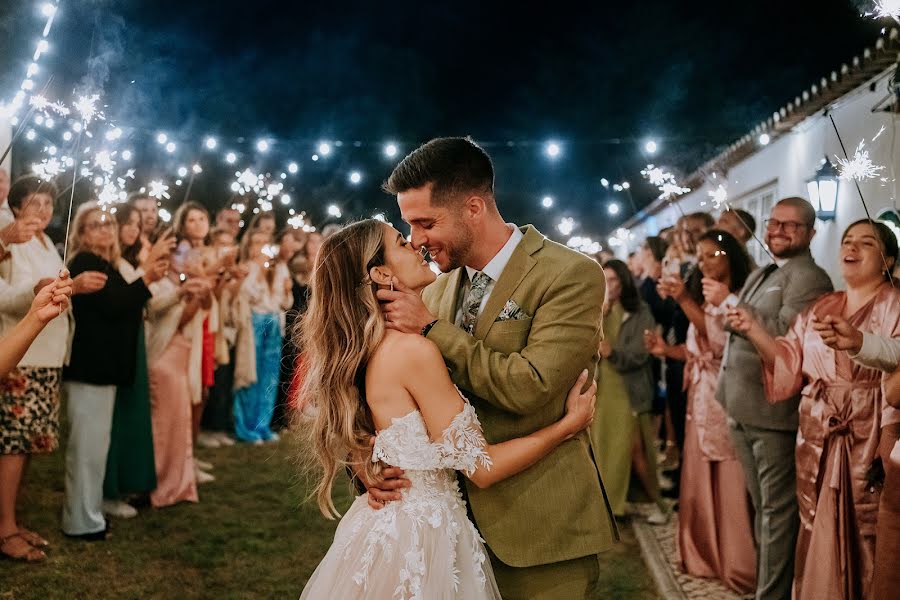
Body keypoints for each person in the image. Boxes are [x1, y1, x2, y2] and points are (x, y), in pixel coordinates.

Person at [297, 219, 597, 599]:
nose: (417, 244)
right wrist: (566, 426)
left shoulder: (377, 344)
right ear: (381, 273)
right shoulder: (413, 351)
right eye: (402, 242)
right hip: (423, 537)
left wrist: (365, 460)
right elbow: (481, 468)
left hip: (393, 524)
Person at [371, 137, 617, 599]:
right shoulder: (438, 290)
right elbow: (395, 393)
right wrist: (372, 464)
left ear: (473, 207)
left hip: (540, 528)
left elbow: (532, 386)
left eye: (426, 223)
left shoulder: (570, 274)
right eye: (410, 226)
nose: (418, 240)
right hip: (447, 535)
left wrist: (432, 330)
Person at [727, 218, 897, 599]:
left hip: (867, 427)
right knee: (816, 521)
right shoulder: (825, 304)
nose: (851, 248)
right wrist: (753, 328)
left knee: (864, 527)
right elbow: (789, 361)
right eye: (847, 241)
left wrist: (858, 342)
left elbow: (895, 360)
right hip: (818, 426)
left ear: (887, 259)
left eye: (866, 243)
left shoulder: (894, 302)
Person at [716, 197, 833, 600]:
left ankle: (773, 594)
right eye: (774, 223)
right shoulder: (765, 270)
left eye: (791, 225)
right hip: (740, 404)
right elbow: (741, 323)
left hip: (773, 411)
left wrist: (742, 316)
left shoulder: (810, 279)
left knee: (777, 513)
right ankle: (765, 587)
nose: (778, 231)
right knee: (760, 506)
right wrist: (730, 312)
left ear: (811, 233)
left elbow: (789, 341)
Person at [648, 229, 756, 594]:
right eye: (702, 254)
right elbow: (697, 352)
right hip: (699, 396)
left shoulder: (736, 300)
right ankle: (704, 552)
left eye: (714, 254)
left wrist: (682, 299)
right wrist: (667, 350)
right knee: (699, 474)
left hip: (727, 399)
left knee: (729, 477)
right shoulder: (707, 301)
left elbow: (719, 340)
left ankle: (736, 559)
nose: (705, 261)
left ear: (731, 258)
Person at [62, 202, 168, 540]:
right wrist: (148, 276)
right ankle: (80, 521)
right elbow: (115, 305)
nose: (106, 229)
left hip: (104, 371)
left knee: (95, 451)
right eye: (96, 225)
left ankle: (89, 514)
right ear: (81, 232)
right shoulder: (84, 262)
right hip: (90, 370)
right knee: (86, 453)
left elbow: (122, 301)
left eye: (108, 223)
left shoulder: (105, 263)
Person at [0, 176, 78, 562]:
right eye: (35, 202)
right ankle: (5, 528)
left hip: (47, 354)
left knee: (27, 444)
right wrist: (35, 294)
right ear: (16, 207)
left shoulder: (49, 242)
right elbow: (5, 297)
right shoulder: (9, 240)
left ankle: (11, 520)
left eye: (48, 202)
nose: (44, 210)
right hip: (21, 354)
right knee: (12, 445)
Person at [102, 204, 174, 518]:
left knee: (133, 415)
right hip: (119, 346)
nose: (133, 229)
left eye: (135, 224)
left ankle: (128, 482)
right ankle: (111, 487)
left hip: (136, 342)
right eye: (126, 223)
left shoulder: (127, 262)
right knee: (119, 419)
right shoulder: (113, 264)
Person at [593, 259, 667, 524]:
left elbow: (641, 355)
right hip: (602, 390)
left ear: (624, 282)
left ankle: (656, 502)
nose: (609, 286)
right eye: (605, 279)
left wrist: (613, 353)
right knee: (604, 447)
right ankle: (609, 505)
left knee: (635, 449)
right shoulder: (598, 309)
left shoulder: (639, 312)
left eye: (614, 280)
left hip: (627, 390)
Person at [232, 228, 291, 443]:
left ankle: (262, 425)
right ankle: (246, 427)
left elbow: (286, 303)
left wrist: (286, 290)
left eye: (264, 242)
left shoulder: (280, 267)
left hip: (274, 322)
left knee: (270, 376)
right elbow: (246, 295)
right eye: (256, 242)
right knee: (251, 373)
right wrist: (259, 273)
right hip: (254, 322)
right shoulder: (247, 268)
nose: (261, 247)